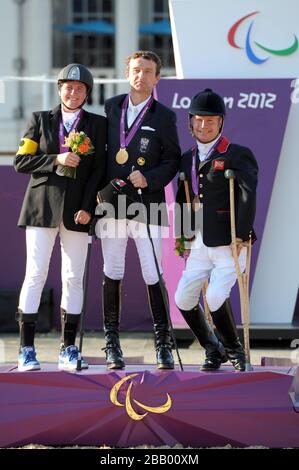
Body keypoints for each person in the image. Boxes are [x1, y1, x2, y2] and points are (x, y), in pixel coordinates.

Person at [14, 63, 107, 371]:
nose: (73, 91)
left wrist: (89, 208)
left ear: (87, 93)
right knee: (36, 274)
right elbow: (22, 161)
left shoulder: (97, 124)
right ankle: (26, 348)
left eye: (80, 88)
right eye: (68, 86)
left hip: (78, 212)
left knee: (73, 277)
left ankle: (68, 349)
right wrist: (56, 159)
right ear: (59, 89)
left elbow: (97, 171)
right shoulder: (40, 120)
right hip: (42, 208)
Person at [96, 50, 180, 370]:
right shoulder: (111, 107)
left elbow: (172, 160)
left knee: (151, 271)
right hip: (114, 203)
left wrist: (149, 177)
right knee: (112, 269)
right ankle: (111, 343)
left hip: (148, 203)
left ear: (157, 78)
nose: (140, 75)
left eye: (147, 71)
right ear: (126, 73)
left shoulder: (165, 116)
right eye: (135, 70)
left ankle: (163, 345)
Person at [175, 88, 258, 372]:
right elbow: (181, 197)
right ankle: (213, 348)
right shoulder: (187, 158)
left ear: (220, 122)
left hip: (229, 242)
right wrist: (182, 234)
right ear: (190, 123)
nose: (203, 125)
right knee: (183, 298)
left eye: (210, 121)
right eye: (198, 120)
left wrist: (242, 234)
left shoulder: (238, 155)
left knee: (213, 297)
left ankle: (236, 351)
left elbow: (247, 196)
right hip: (199, 242)